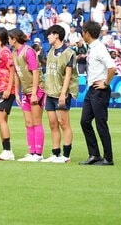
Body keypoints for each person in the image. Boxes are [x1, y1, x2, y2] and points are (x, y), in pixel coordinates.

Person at [79, 21, 116, 166]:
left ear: (87, 33)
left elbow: (112, 67)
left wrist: (105, 83)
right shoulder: (93, 48)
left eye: (83, 31)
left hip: (99, 90)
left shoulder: (99, 48)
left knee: (101, 123)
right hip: (92, 89)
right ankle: (94, 154)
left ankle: (108, 157)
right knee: (85, 122)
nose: (82, 34)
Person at [43, 25, 79, 163]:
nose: (48, 37)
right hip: (50, 93)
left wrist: (64, 94)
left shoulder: (69, 53)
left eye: (50, 34)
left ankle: (66, 155)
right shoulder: (51, 51)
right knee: (53, 124)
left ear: (56, 35)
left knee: (64, 123)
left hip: (61, 93)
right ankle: (55, 153)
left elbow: (68, 75)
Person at [9, 28, 45, 162]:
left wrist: (35, 92)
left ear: (14, 39)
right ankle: (32, 152)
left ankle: (38, 154)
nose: (8, 41)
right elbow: (17, 74)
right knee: (28, 123)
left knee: (36, 121)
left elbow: (35, 72)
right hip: (25, 91)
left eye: (9, 38)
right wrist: (17, 93)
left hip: (36, 90)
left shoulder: (28, 51)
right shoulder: (14, 53)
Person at [0, 28, 16, 161]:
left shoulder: (5, 52)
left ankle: (7, 150)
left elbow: (12, 71)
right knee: (1, 119)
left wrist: (8, 89)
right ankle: (7, 150)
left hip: (6, 89)